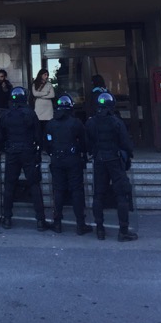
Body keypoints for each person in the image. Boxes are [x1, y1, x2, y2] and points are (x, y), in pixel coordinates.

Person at [85, 92, 138, 242]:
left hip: (99, 160)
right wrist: (129, 154)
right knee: (121, 194)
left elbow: (88, 142)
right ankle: (123, 230)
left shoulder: (91, 122)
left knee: (98, 194)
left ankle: (100, 229)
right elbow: (125, 142)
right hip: (114, 160)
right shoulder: (116, 122)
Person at [0, 87, 49, 231]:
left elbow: (1, 136)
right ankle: (40, 220)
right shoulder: (30, 114)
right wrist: (38, 150)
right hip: (28, 151)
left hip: (12, 151)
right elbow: (38, 135)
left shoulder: (6, 115)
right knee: (34, 185)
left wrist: (3, 148)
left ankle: (7, 218)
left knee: (9, 185)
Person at [45, 95, 93, 235]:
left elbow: (47, 143)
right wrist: (83, 153)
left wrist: (52, 153)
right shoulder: (76, 123)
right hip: (73, 159)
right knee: (76, 191)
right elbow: (84, 142)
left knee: (58, 190)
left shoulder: (51, 124)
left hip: (57, 159)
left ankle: (57, 222)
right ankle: (80, 223)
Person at [32, 68, 55, 139]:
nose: (47, 76)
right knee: (39, 129)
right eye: (45, 74)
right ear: (41, 75)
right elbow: (35, 94)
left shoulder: (49, 84)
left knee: (48, 129)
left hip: (48, 110)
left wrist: (40, 95)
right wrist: (45, 93)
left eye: (47, 75)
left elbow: (52, 95)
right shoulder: (35, 84)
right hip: (39, 109)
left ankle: (48, 143)